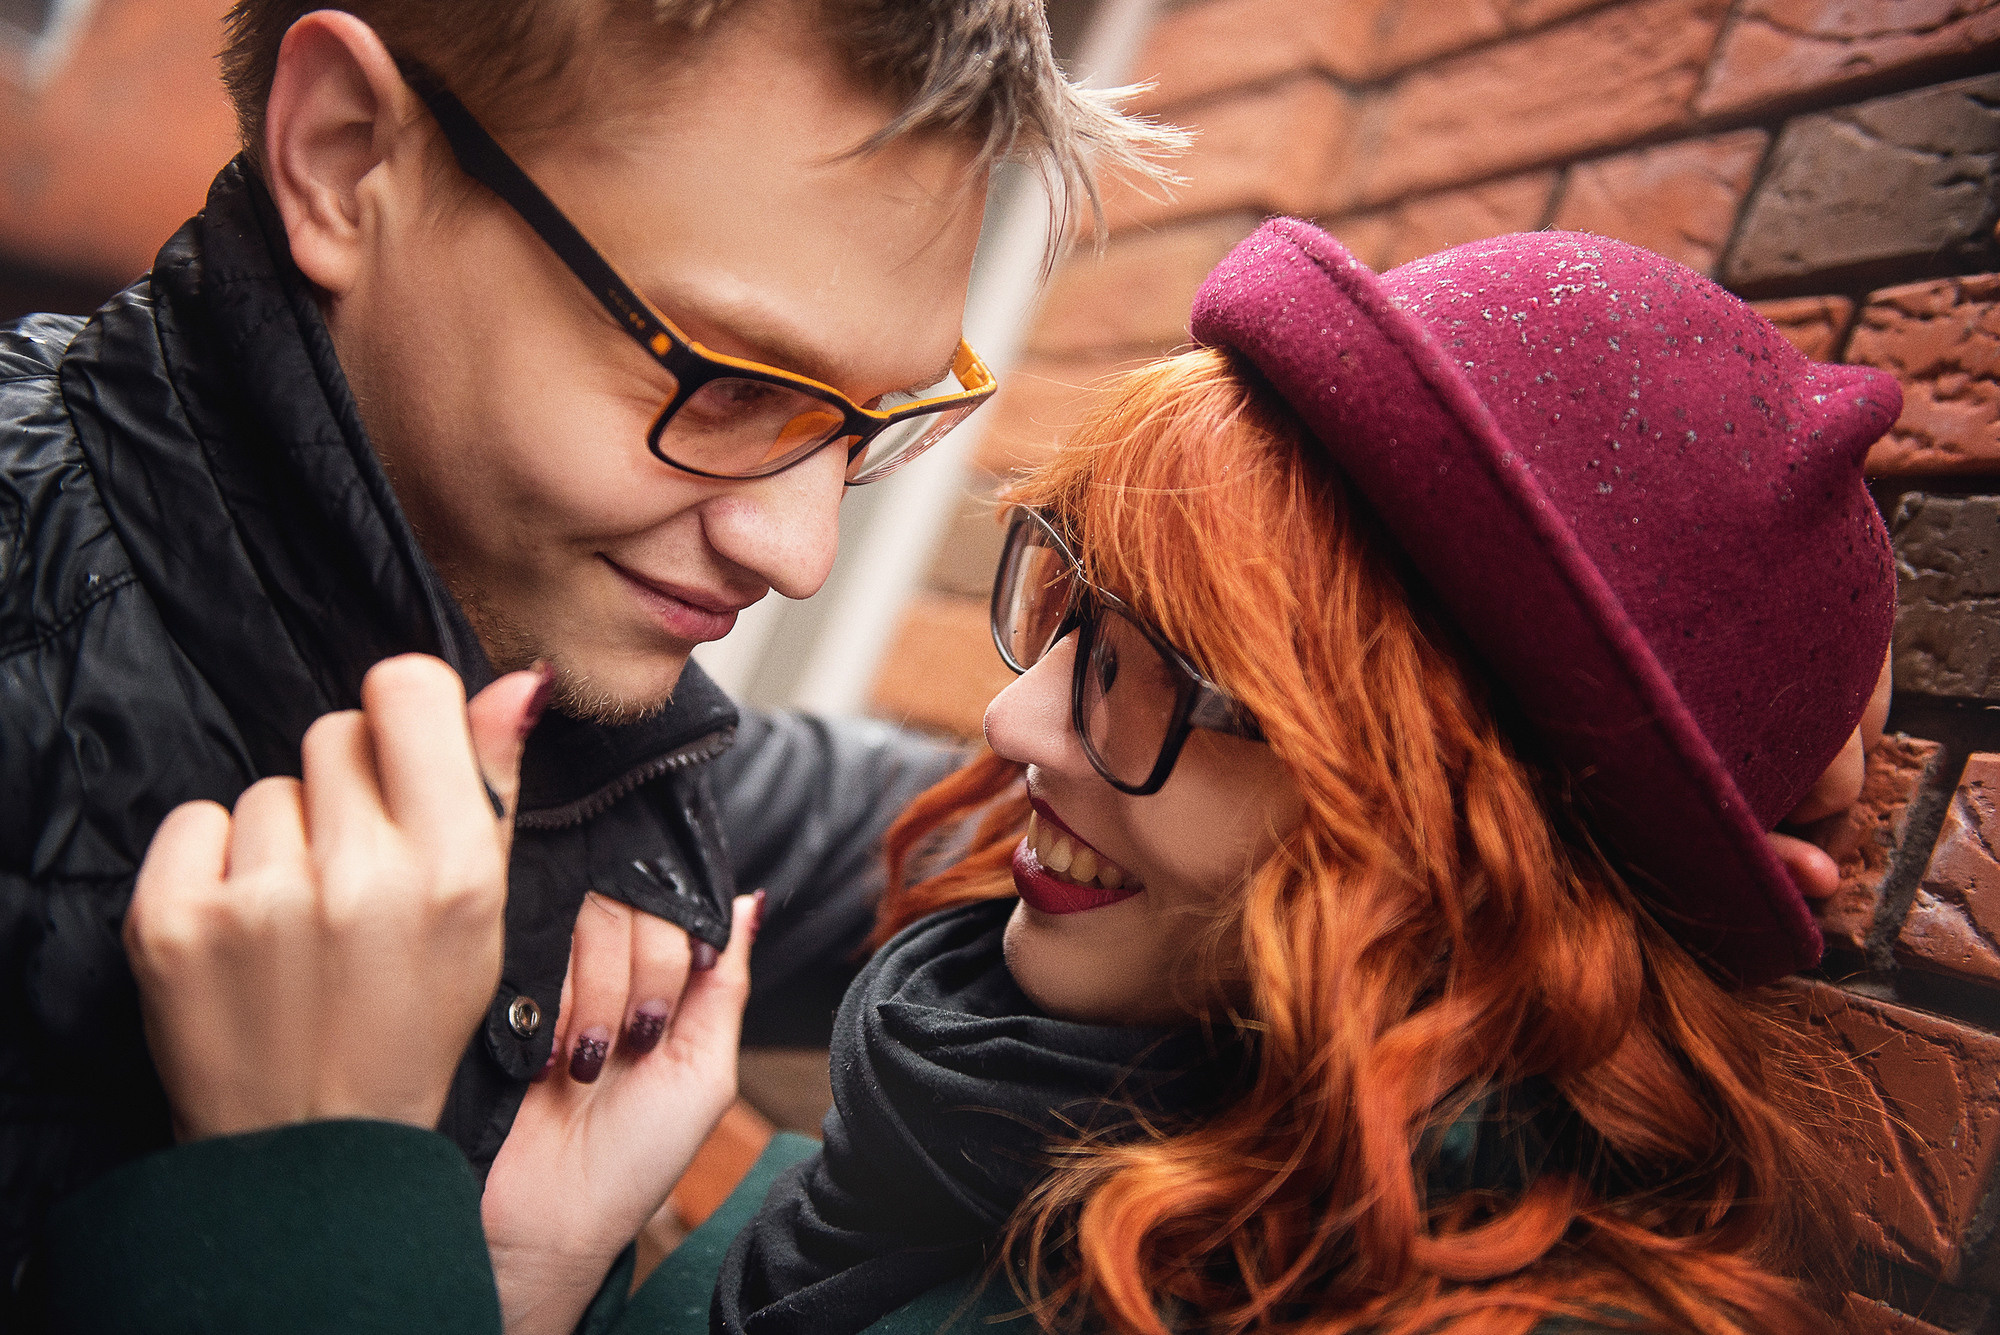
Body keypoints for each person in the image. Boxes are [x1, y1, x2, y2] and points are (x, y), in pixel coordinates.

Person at [38, 221, 1895, 1335]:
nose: (1013, 735)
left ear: (1464, 830)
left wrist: (319, 1211)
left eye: (1165, 687)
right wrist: (525, 1280)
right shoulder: (975, 1134)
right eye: (1071, 626)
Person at [0, 0, 1177, 1304]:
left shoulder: (572, 723)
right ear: (344, 157)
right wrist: (324, 1180)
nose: (801, 553)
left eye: (871, 423)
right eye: (730, 384)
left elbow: (888, 822)